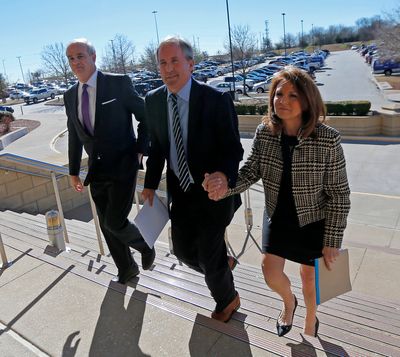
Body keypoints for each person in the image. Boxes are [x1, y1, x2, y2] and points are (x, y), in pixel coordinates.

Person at [204, 66, 351, 336]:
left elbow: (340, 194)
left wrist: (333, 239)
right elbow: (250, 172)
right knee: (270, 272)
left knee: (309, 279)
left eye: (293, 95)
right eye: (278, 94)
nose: (282, 100)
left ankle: (310, 318)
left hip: (313, 219)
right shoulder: (265, 132)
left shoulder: (328, 139)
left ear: (307, 100)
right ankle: (288, 302)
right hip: (277, 215)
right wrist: (224, 185)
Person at [142, 36, 244, 322]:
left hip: (213, 193)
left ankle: (228, 299)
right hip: (182, 193)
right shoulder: (153, 101)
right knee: (184, 252)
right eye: (162, 62)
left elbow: (233, 148)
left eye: (175, 61)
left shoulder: (216, 99)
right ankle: (222, 266)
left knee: (210, 255)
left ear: (190, 63)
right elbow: (158, 147)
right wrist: (150, 184)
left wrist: (223, 176)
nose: (168, 68)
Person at [64, 38, 155, 284]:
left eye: (80, 56)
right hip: (96, 171)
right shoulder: (70, 95)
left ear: (93, 57)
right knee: (106, 225)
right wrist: (73, 171)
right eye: (71, 58)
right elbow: (74, 133)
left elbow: (146, 117)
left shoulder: (118, 84)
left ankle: (145, 245)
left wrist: (140, 150)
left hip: (123, 166)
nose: (76, 62)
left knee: (114, 221)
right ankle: (126, 269)